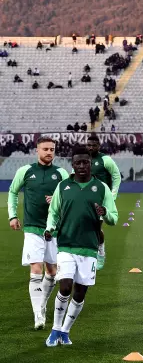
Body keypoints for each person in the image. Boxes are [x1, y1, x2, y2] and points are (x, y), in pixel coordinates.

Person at [44, 147, 118, 346]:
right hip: (66, 244)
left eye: (86, 162)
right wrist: (50, 228)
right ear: (73, 165)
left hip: (89, 247)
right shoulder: (63, 186)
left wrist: (105, 212)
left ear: (90, 163)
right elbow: (53, 212)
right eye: (78, 163)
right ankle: (55, 329)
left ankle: (66, 332)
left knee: (80, 292)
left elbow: (114, 217)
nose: (83, 166)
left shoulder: (101, 188)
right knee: (65, 286)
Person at [8, 137, 70, 330]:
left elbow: (70, 196)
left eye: (52, 149)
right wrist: (13, 216)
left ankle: (41, 305)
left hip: (54, 229)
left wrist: (58, 200)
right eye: (45, 149)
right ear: (37, 150)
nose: (49, 152)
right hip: (33, 228)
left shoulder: (61, 173)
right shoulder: (25, 171)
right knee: (36, 269)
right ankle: (38, 315)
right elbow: (12, 191)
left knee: (52, 272)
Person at [85, 136, 120, 270]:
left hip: (101, 200)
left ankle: (100, 252)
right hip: (84, 199)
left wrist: (112, 196)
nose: (91, 148)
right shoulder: (83, 159)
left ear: (99, 146)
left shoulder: (106, 160)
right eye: (89, 145)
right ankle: (86, 253)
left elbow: (116, 176)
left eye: (93, 145)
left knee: (96, 228)